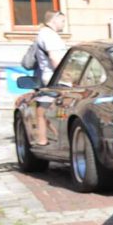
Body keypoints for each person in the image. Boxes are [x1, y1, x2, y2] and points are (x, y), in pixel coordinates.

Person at [26, 10, 67, 146]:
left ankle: (46, 138)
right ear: (54, 20)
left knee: (43, 110)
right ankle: (45, 140)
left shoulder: (44, 33)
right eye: (62, 21)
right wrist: (67, 77)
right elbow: (55, 59)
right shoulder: (49, 35)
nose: (63, 24)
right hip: (55, 78)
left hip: (49, 77)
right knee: (46, 111)